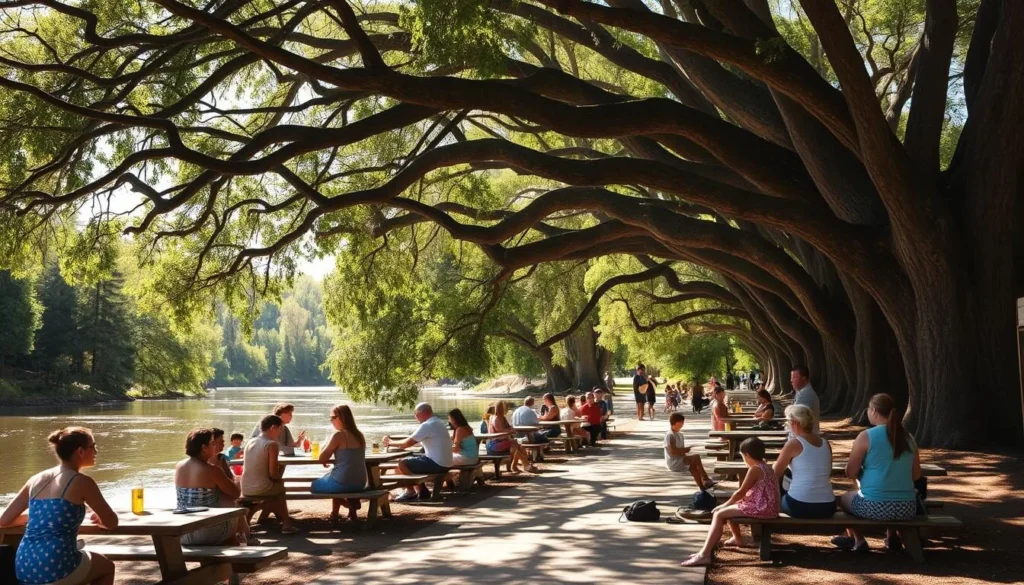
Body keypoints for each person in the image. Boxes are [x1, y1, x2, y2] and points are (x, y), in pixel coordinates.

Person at [1, 427, 118, 585]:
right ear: (80, 451)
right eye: (93, 446)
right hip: (55, 568)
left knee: (81, 561)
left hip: (24, 566)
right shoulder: (82, 481)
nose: (96, 451)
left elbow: (4, 520)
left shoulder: (35, 479)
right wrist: (100, 520)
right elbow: (111, 523)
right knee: (106, 567)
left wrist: (40, 518)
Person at [834, 393, 922, 553]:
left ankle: (858, 539)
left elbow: (850, 472)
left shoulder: (866, 436)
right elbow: (916, 476)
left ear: (873, 411)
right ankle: (891, 534)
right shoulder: (909, 437)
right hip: (908, 507)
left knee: (844, 499)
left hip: (875, 506)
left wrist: (863, 473)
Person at [680, 438, 779, 567]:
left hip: (763, 508)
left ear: (747, 455)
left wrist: (725, 505)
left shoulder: (755, 469)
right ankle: (737, 538)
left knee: (719, 514)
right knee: (733, 508)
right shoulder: (766, 466)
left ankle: (704, 555)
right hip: (769, 507)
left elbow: (740, 492)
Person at [175, 428, 252, 545]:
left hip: (184, 532)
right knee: (233, 505)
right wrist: (237, 479)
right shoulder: (212, 470)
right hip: (207, 531)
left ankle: (236, 545)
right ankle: (240, 545)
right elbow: (235, 493)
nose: (215, 446)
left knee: (225, 506)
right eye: (213, 443)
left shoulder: (179, 466)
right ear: (204, 448)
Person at [772, 405, 835, 519]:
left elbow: (775, 474)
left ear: (795, 423)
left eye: (788, 423)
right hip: (828, 506)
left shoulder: (793, 444)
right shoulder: (826, 443)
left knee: (781, 484)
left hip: (799, 505)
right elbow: (827, 473)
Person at [384, 403, 455, 501]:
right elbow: (417, 442)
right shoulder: (438, 422)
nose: (415, 417)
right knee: (404, 463)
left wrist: (390, 442)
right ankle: (420, 490)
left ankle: (412, 492)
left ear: (423, 413)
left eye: (416, 414)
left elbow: (406, 443)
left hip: (437, 464)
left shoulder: (427, 425)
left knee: (402, 463)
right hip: (446, 463)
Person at [310, 404, 368, 523]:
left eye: (333, 417)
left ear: (342, 418)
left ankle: (348, 505)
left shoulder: (338, 435)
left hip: (343, 482)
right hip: (360, 482)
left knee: (314, 485)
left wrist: (327, 440)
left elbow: (322, 457)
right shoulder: (359, 435)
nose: (331, 420)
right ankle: (339, 514)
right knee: (335, 476)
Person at [241, 415, 297, 534]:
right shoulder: (271, 444)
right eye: (280, 429)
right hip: (261, 487)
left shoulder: (250, 441)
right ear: (273, 428)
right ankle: (286, 524)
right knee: (280, 488)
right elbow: (273, 475)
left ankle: (249, 521)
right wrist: (282, 468)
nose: (280, 432)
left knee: (272, 490)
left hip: (245, 487)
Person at [664, 413, 718, 491]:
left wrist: (685, 451)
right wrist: (685, 450)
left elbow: (681, 451)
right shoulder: (670, 435)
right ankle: (705, 479)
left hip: (680, 458)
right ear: (675, 422)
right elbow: (672, 451)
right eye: (681, 422)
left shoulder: (680, 435)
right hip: (673, 461)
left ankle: (702, 487)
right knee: (696, 457)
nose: (682, 424)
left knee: (693, 467)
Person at [485, 401, 534, 474]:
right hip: (494, 444)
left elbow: (508, 427)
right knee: (515, 445)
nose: (506, 409)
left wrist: (511, 429)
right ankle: (525, 464)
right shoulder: (496, 418)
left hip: (502, 442)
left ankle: (521, 465)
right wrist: (510, 430)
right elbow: (500, 430)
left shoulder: (502, 418)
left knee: (518, 445)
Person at [790, 365, 820, 435]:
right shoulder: (801, 392)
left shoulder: (805, 394)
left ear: (804, 378)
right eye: (791, 377)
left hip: (805, 439)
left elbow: (797, 420)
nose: (791, 380)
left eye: (794, 377)